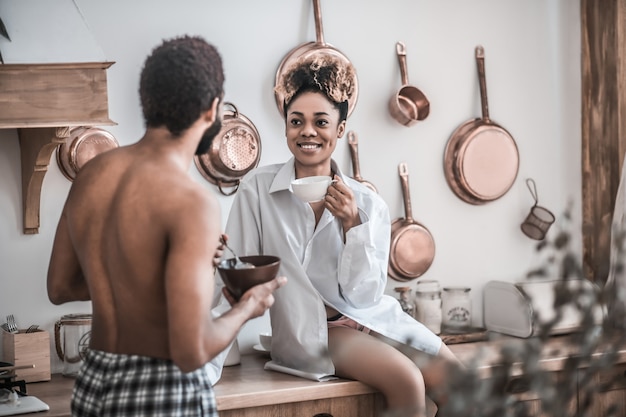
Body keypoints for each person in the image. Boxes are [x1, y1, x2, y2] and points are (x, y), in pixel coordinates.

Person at [47, 35, 286, 417]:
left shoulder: (91, 174)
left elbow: (59, 288)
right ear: (212, 109)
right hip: (162, 387)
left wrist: (149, 281)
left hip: (95, 381)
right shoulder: (192, 203)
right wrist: (248, 307)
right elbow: (192, 350)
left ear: (147, 103)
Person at [219, 54, 463, 417]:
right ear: (285, 127)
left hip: (371, 317)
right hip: (315, 332)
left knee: (458, 381)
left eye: (321, 122)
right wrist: (209, 353)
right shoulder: (257, 190)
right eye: (296, 121)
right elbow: (237, 270)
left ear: (341, 128)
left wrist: (353, 226)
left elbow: (364, 296)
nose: (307, 131)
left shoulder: (366, 202)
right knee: (408, 381)